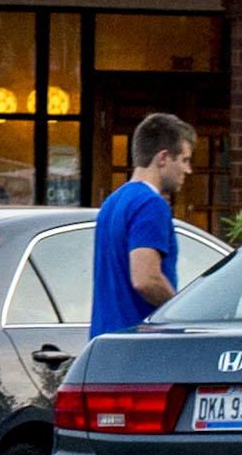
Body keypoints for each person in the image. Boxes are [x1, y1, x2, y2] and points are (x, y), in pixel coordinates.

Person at [89, 108, 212, 330]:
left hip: (106, 341)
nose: (189, 169)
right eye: (184, 160)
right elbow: (145, 279)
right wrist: (179, 313)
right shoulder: (151, 204)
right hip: (139, 344)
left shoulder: (112, 202)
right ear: (163, 158)